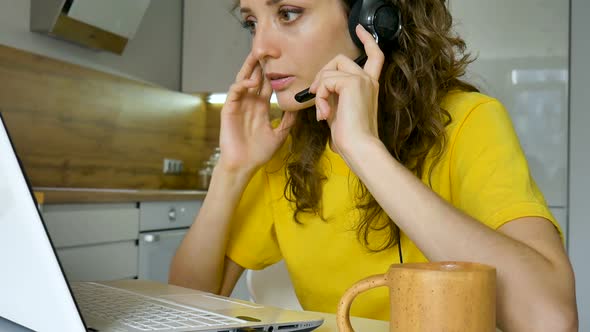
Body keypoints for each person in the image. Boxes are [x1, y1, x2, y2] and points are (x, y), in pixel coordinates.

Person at [169, 0, 578, 331]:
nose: (260, 48)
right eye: (251, 23)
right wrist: (233, 170)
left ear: (370, 18)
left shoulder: (471, 120)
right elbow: (184, 308)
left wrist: (364, 150)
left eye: (288, 14)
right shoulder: (284, 144)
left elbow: (550, 320)